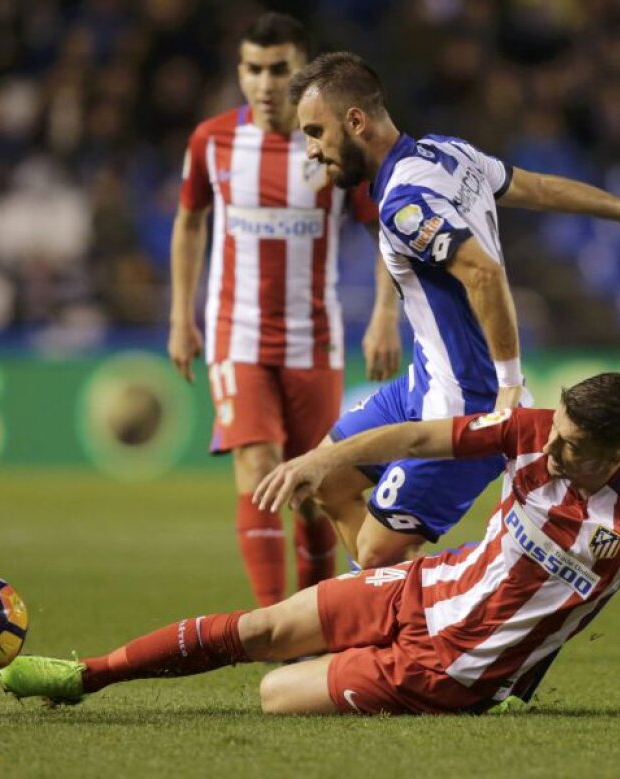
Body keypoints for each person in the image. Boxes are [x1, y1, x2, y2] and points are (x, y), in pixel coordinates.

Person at [0, 372, 620, 719]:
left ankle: (497, 695)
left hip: (451, 670)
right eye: (556, 430)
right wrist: (323, 459)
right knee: (263, 629)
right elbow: (418, 437)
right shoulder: (532, 430)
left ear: (616, 453)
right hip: (424, 585)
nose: (552, 446)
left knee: (273, 695)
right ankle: (85, 676)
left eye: (570, 445)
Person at [287, 51, 620, 569]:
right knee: (325, 477)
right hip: (423, 383)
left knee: (374, 553)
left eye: (316, 132)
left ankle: (443, 589)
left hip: (467, 402)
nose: (312, 150)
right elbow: (534, 187)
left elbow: (483, 271)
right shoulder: (448, 152)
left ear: (356, 121)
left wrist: (508, 384)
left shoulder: (405, 204)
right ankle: (387, 595)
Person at [167, 15, 403, 607]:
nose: (266, 83)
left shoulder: (328, 144)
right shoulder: (212, 141)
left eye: (280, 70)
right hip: (236, 334)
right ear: (239, 71)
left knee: (314, 489)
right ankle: (270, 625)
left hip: (313, 339)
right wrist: (180, 316)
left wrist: (385, 314)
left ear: (303, 73)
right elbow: (190, 221)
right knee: (257, 469)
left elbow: (383, 230)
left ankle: (309, 620)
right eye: (254, 69)